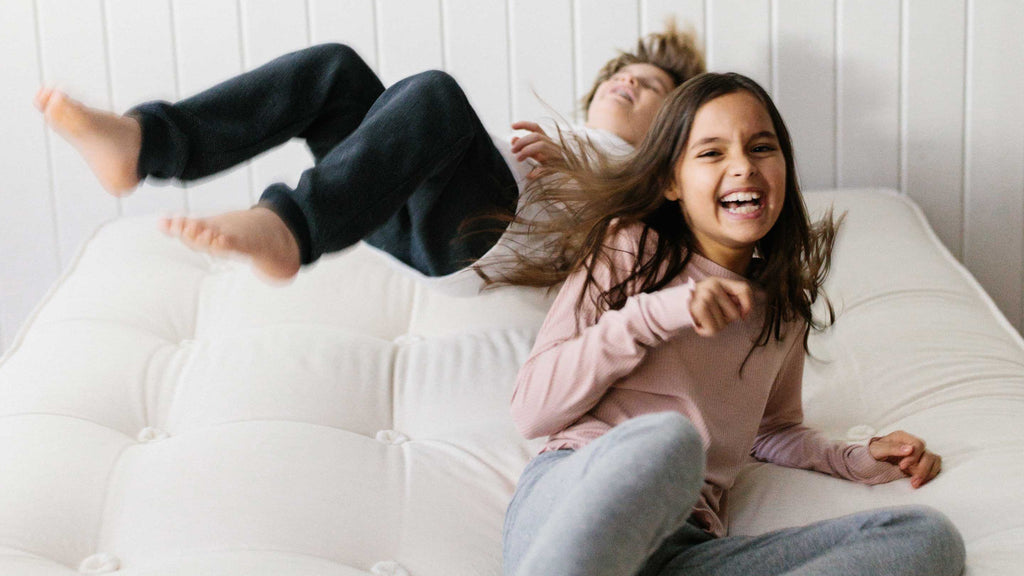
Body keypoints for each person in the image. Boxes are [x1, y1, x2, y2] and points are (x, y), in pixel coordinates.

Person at [499, 72, 965, 576]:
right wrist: (658, 315)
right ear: (670, 181)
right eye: (711, 153)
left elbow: (772, 429)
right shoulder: (628, 246)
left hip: (683, 544)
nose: (743, 166)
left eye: (762, 147)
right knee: (671, 444)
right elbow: (531, 412)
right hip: (574, 496)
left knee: (925, 538)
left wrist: (854, 459)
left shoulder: (782, 312)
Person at [33, 23, 703, 291]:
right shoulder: (559, 126)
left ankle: (290, 226)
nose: (631, 81)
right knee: (334, 70)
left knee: (435, 94)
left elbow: (643, 239)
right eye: (624, 73)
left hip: (473, 232)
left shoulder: (639, 173)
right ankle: (145, 143)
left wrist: (589, 174)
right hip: (401, 204)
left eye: (651, 88)